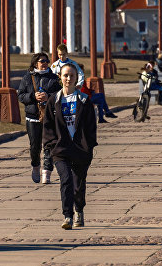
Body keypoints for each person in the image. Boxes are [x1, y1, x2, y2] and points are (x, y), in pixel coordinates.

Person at [42, 63, 97, 230]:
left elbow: (91, 127)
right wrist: (51, 145)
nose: (68, 79)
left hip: (80, 149)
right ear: (60, 77)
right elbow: (48, 125)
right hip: (60, 149)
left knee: (78, 184)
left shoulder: (84, 100)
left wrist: (89, 147)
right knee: (65, 180)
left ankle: (79, 210)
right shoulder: (54, 100)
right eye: (65, 75)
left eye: (71, 75)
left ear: (76, 78)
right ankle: (67, 216)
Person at [18, 52, 61, 184]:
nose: (45, 63)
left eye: (47, 61)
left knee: (49, 145)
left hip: (50, 116)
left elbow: (60, 94)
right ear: (35, 63)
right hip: (32, 117)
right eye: (42, 61)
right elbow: (21, 95)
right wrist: (33, 96)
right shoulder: (27, 78)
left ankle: (46, 173)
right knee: (34, 147)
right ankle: (36, 166)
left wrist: (49, 96)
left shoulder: (53, 78)